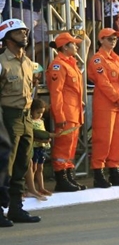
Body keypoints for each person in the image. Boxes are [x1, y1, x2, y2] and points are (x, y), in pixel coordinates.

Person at [0, 18, 41, 226]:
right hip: (7, 116)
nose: (24, 34)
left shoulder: (26, 60)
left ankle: (16, 208)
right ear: (7, 38)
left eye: (25, 31)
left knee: (22, 164)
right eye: (18, 32)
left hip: (25, 117)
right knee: (3, 166)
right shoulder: (1, 61)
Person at [87, 28, 119, 188]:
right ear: (101, 40)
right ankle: (98, 173)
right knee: (103, 139)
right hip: (105, 105)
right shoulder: (97, 59)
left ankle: (114, 170)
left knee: (118, 140)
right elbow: (102, 82)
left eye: (114, 38)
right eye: (109, 38)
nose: (113, 41)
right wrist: (118, 98)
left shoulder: (117, 59)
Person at [46, 31, 85, 192]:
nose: (76, 46)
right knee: (63, 146)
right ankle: (61, 178)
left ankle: (68, 175)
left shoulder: (70, 63)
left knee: (71, 145)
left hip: (74, 111)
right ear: (64, 47)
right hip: (66, 112)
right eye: (73, 44)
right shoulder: (58, 65)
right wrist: (59, 115)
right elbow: (56, 92)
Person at [28, 98, 53, 200]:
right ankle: (31, 187)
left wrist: (47, 139)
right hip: (34, 147)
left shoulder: (41, 121)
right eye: (38, 112)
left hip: (41, 147)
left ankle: (41, 187)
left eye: (42, 113)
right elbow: (33, 136)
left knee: (40, 168)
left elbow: (43, 132)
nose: (40, 115)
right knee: (32, 168)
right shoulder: (30, 122)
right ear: (32, 111)